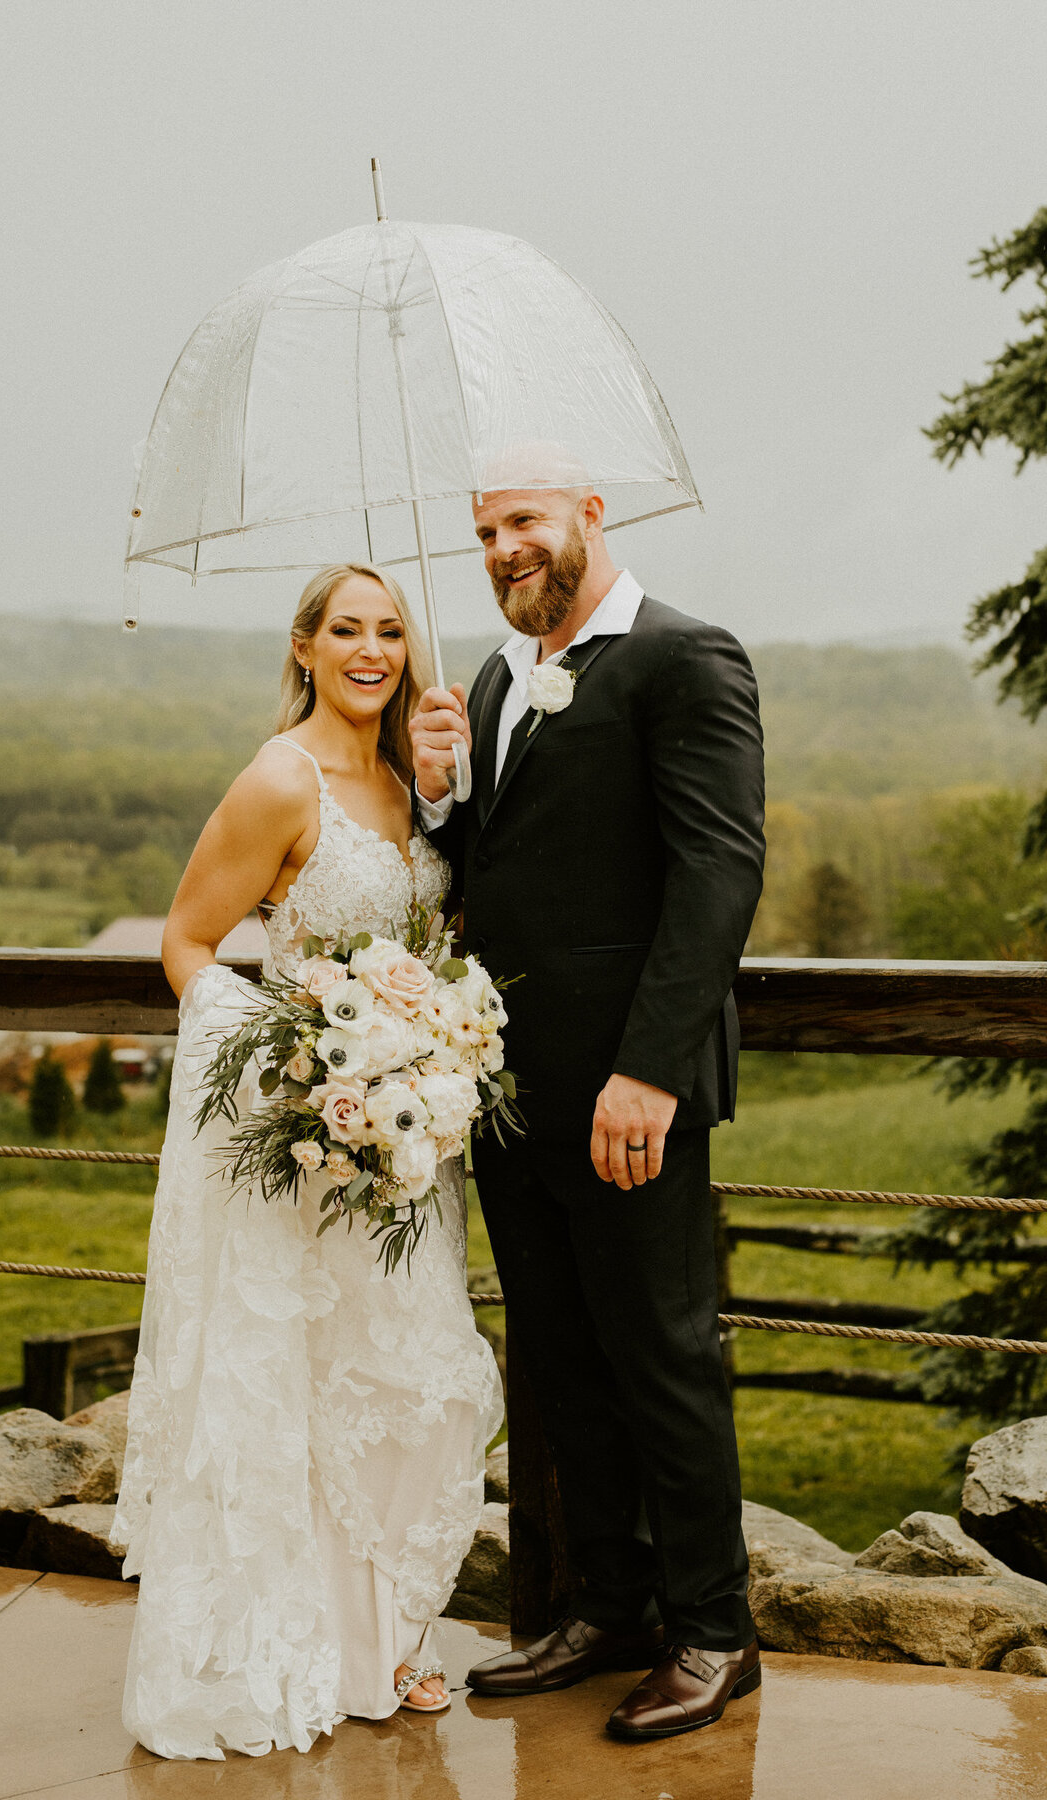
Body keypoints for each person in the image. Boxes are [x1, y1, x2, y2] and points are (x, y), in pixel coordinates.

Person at [112, 563, 503, 1761]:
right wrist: (283, 1061)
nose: (373, 649)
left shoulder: (406, 777)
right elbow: (187, 943)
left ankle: (391, 1628)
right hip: (307, 1140)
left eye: (392, 630)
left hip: (405, 1148)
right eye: (348, 630)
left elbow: (438, 931)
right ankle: (311, 1643)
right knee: (304, 1384)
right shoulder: (281, 777)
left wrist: (449, 786)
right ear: (306, 645)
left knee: (413, 1387)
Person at [409, 479, 766, 1742]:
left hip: (631, 1094)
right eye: (488, 533)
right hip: (509, 1091)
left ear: (590, 514)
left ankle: (715, 1632)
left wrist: (652, 1071)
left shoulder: (683, 655)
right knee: (561, 1356)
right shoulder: (499, 684)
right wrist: (441, 791)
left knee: (663, 1357)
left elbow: (720, 872)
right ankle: (609, 1606)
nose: (506, 550)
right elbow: (490, 872)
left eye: (526, 522)